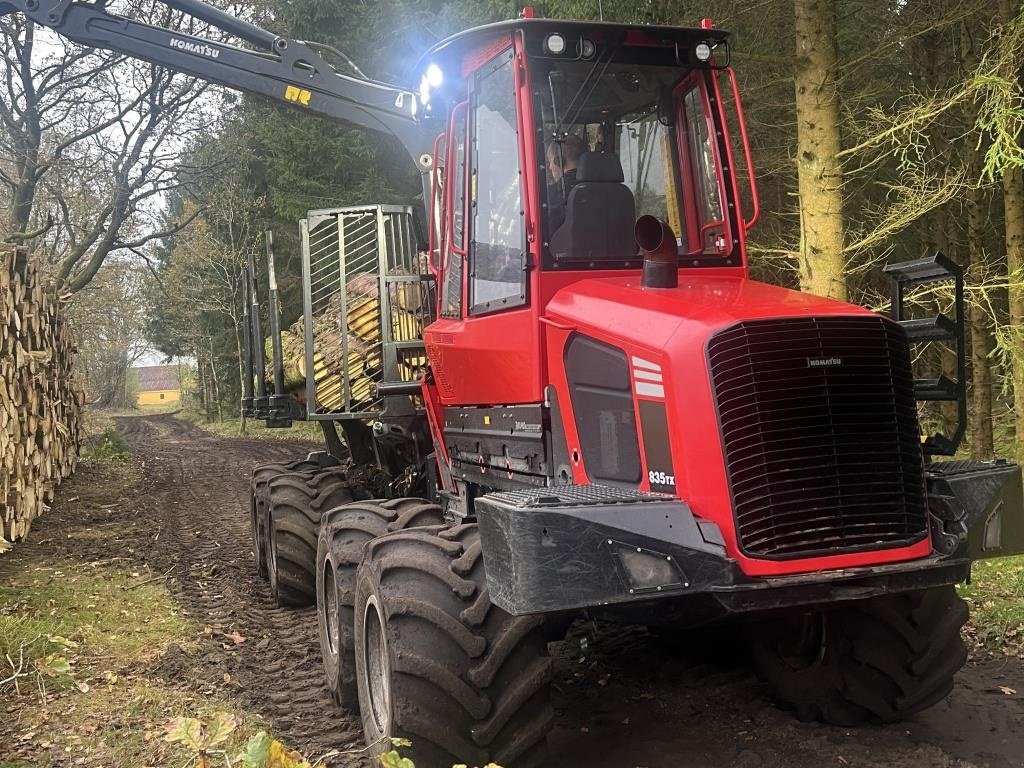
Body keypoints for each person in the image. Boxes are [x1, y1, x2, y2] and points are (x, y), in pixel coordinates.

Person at [546, 133, 584, 232]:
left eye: (551, 161)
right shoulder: (615, 192)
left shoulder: (552, 195)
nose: (550, 167)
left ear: (558, 161)